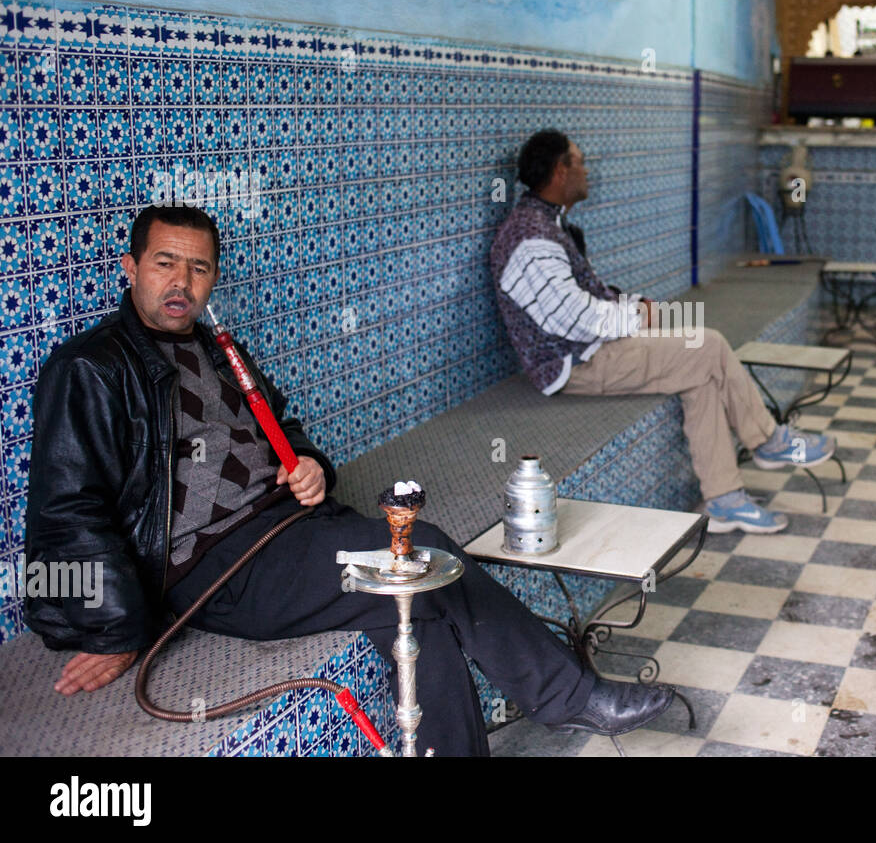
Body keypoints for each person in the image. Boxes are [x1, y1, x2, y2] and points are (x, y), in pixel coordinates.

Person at [24, 204, 675, 757]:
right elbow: (68, 509)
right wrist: (113, 629)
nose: (182, 282)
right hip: (220, 568)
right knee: (426, 558)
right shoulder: (89, 368)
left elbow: (285, 428)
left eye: (198, 268)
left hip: (293, 525)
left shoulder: (217, 347)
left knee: (418, 621)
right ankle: (571, 695)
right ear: (130, 268)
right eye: (165, 262)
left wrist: (309, 466)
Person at [489, 129, 836, 535]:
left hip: (592, 350)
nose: (588, 172)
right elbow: (572, 319)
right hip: (575, 365)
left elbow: (581, 303)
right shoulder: (530, 237)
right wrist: (637, 317)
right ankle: (768, 440)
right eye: (580, 162)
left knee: (702, 377)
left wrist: (633, 305)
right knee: (708, 345)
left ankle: (724, 500)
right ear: (560, 170)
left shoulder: (548, 224)